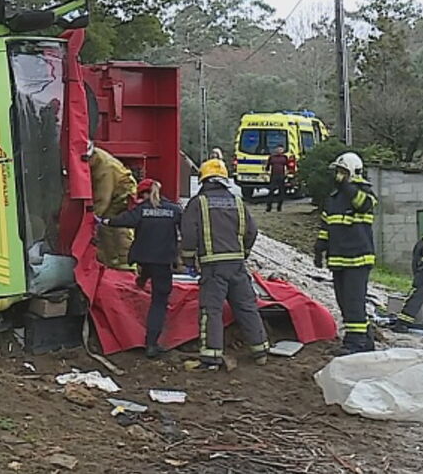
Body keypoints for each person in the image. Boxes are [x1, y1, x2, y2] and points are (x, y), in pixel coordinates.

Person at [180, 158, 269, 370]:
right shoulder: (237, 202)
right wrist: (243, 253)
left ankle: (211, 357)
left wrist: (188, 260)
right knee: (246, 306)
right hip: (237, 265)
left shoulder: (198, 203)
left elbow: (189, 234)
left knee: (211, 310)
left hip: (213, 267)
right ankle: (260, 350)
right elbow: (252, 231)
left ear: (203, 178)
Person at [100, 178, 182, 358]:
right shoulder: (174, 210)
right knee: (159, 302)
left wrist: (103, 221)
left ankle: (142, 279)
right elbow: (186, 229)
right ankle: (152, 344)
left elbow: (122, 220)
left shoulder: (141, 210)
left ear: (143, 194)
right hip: (163, 262)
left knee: (147, 270)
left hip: (144, 259)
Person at [313, 152, 378, 355]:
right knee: (344, 302)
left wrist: (348, 185)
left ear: (350, 171)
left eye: (341, 171)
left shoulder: (363, 192)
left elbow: (364, 205)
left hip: (358, 259)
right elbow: (327, 224)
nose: (337, 176)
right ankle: (365, 340)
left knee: (353, 302)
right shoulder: (334, 198)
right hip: (338, 259)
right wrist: (319, 246)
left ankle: (355, 343)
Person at [89, 147, 137, 269]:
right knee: (106, 229)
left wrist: (90, 219)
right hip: (114, 197)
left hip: (121, 198)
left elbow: (103, 198)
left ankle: (124, 265)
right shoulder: (97, 161)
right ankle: (112, 261)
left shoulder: (105, 168)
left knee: (113, 227)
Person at [264, 145, 288, 213]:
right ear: (276, 150)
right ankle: (269, 207)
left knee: (281, 192)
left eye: (281, 149)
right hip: (273, 176)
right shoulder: (272, 157)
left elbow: (288, 166)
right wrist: (267, 173)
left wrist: (287, 173)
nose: (279, 151)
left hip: (281, 176)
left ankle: (279, 207)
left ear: (283, 150)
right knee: (271, 191)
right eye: (278, 149)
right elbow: (267, 167)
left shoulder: (284, 157)